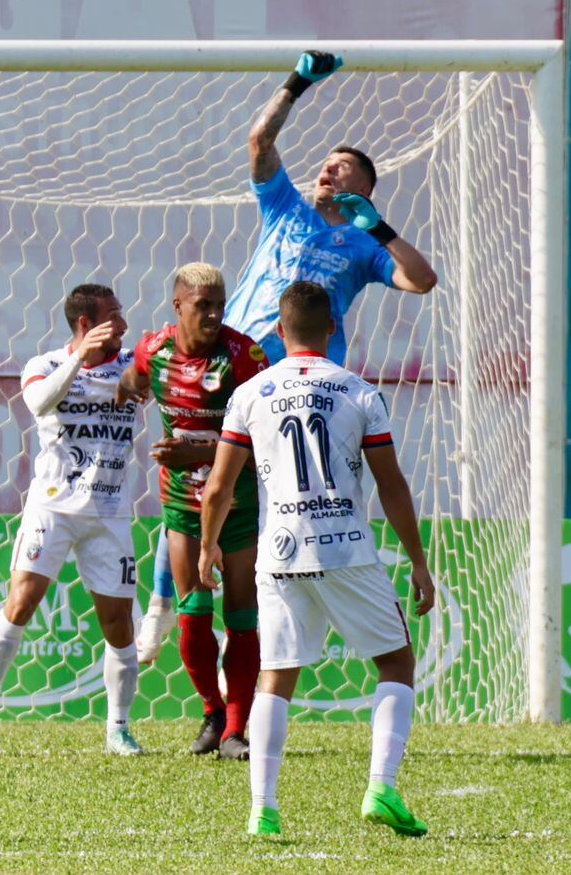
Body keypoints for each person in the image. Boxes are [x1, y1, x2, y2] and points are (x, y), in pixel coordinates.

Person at [137, 49, 439, 665]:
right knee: (192, 483)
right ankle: (167, 601)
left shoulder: (361, 245)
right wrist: (298, 83)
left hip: (296, 385)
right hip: (227, 367)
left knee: (260, 493)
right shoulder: (286, 210)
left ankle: (264, 641)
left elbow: (422, 280)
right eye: (327, 164)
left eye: (345, 168)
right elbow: (258, 139)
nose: (330, 170)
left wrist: (377, 227)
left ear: (366, 190)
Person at [199, 281, 436, 838]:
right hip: (346, 548)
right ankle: (381, 786)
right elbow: (391, 484)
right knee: (396, 663)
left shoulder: (250, 393)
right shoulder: (358, 392)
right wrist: (417, 560)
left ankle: (263, 809)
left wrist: (209, 544)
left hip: (279, 549)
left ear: (279, 333)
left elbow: (218, 487)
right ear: (333, 328)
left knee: (275, 677)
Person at [0, 284, 144, 757]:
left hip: (109, 511)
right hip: (52, 507)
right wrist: (78, 360)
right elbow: (39, 403)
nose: (124, 325)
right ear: (86, 324)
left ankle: (119, 728)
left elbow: (158, 381)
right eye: (114, 317)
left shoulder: (131, 365)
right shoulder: (44, 366)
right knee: (22, 601)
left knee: (119, 624)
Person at [117, 263, 267, 759]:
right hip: (182, 502)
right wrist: (126, 389)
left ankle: (237, 731)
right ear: (178, 306)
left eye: (219, 304)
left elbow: (262, 439)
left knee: (242, 614)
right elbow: (133, 376)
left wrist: (197, 455)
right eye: (203, 305)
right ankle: (213, 711)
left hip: (237, 503)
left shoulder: (243, 357)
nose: (213, 313)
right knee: (194, 613)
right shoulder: (154, 351)